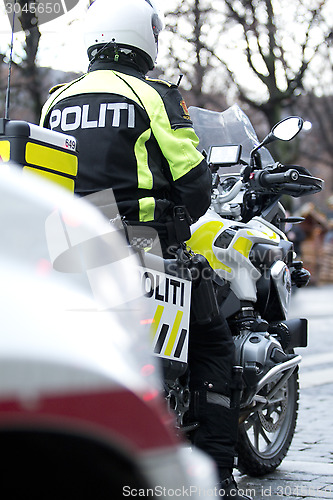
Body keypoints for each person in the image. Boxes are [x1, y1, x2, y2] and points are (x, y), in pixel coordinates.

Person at [40, 1, 253, 498]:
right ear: (144, 37)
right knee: (214, 344)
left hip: (67, 242)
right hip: (141, 241)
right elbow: (194, 180)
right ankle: (217, 472)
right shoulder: (154, 95)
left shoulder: (57, 98)